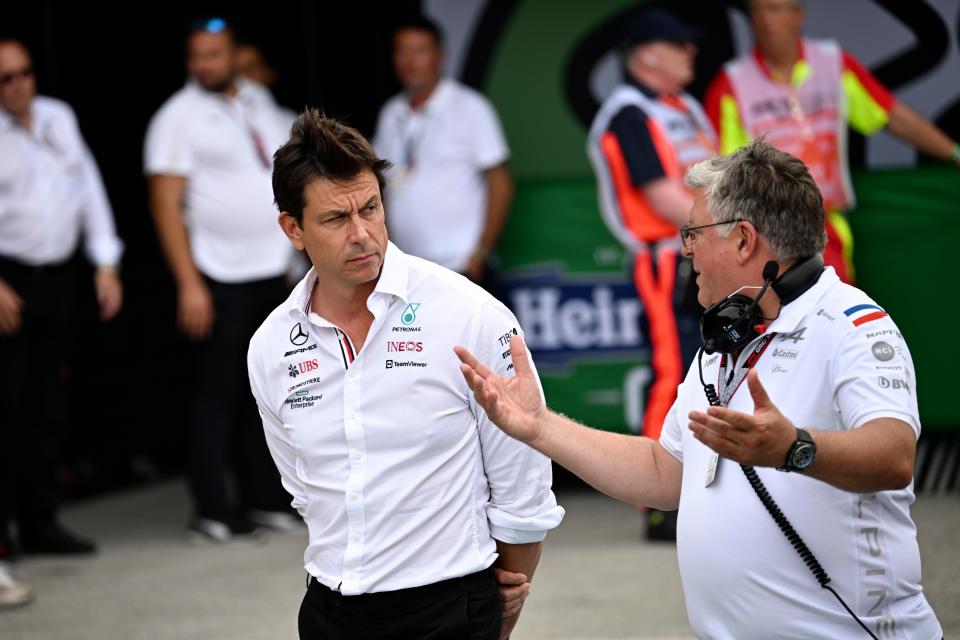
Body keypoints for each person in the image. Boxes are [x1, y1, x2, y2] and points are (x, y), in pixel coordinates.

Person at [456, 140, 942, 638]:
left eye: (693, 232)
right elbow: (665, 474)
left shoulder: (853, 326)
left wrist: (793, 448)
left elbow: (894, 455)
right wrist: (539, 427)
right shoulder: (726, 338)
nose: (685, 248)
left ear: (743, 240)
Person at [248, 110, 563, 640]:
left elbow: (522, 484)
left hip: (449, 608)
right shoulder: (270, 345)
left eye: (370, 208)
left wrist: (496, 605)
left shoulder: (470, 314)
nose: (362, 234)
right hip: (328, 610)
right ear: (292, 229)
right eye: (335, 219)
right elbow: (303, 486)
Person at [144, 18, 296, 541]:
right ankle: (212, 508)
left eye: (213, 54)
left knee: (268, 389)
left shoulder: (255, 99)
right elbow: (165, 205)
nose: (203, 65)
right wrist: (189, 283)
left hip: (270, 272)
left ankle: (262, 499)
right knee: (217, 392)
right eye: (196, 56)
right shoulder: (177, 117)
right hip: (217, 274)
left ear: (235, 54)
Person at [705, 0, 960, 284]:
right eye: (757, 11)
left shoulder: (832, 64)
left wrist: (954, 152)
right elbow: (720, 172)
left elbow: (890, 114)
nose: (766, 20)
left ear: (797, 15)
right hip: (766, 232)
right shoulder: (731, 83)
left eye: (776, 9)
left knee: (835, 319)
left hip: (826, 226)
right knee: (778, 324)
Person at [0, 39, 123, 558]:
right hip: (8, 279)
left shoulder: (57, 116)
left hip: (58, 277)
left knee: (48, 404)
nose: (19, 83)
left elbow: (88, 189)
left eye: (25, 72)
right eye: (6, 77)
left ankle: (40, 522)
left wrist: (106, 262)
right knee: (6, 406)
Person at [587, 7, 715, 454]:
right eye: (679, 44)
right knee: (674, 369)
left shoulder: (685, 105)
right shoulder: (628, 112)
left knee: (712, 368)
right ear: (646, 56)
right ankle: (658, 498)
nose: (691, 51)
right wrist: (723, 232)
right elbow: (662, 197)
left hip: (705, 250)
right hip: (665, 259)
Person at [373, 15, 514, 286]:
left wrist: (482, 251)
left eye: (419, 50)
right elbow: (383, 186)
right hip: (407, 270)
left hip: (460, 266)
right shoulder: (391, 113)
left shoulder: (470, 107)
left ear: (440, 57)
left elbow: (501, 182)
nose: (409, 61)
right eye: (402, 51)